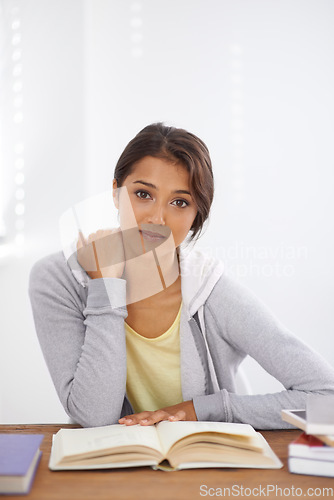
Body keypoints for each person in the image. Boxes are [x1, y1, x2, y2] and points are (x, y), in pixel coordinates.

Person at [29, 122, 334, 429]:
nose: (157, 218)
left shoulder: (212, 293)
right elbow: (95, 416)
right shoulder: (58, 280)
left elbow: (327, 398)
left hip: (205, 467)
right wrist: (104, 286)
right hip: (109, 469)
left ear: (195, 216)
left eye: (179, 202)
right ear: (116, 192)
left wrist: (203, 410)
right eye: (143, 194)